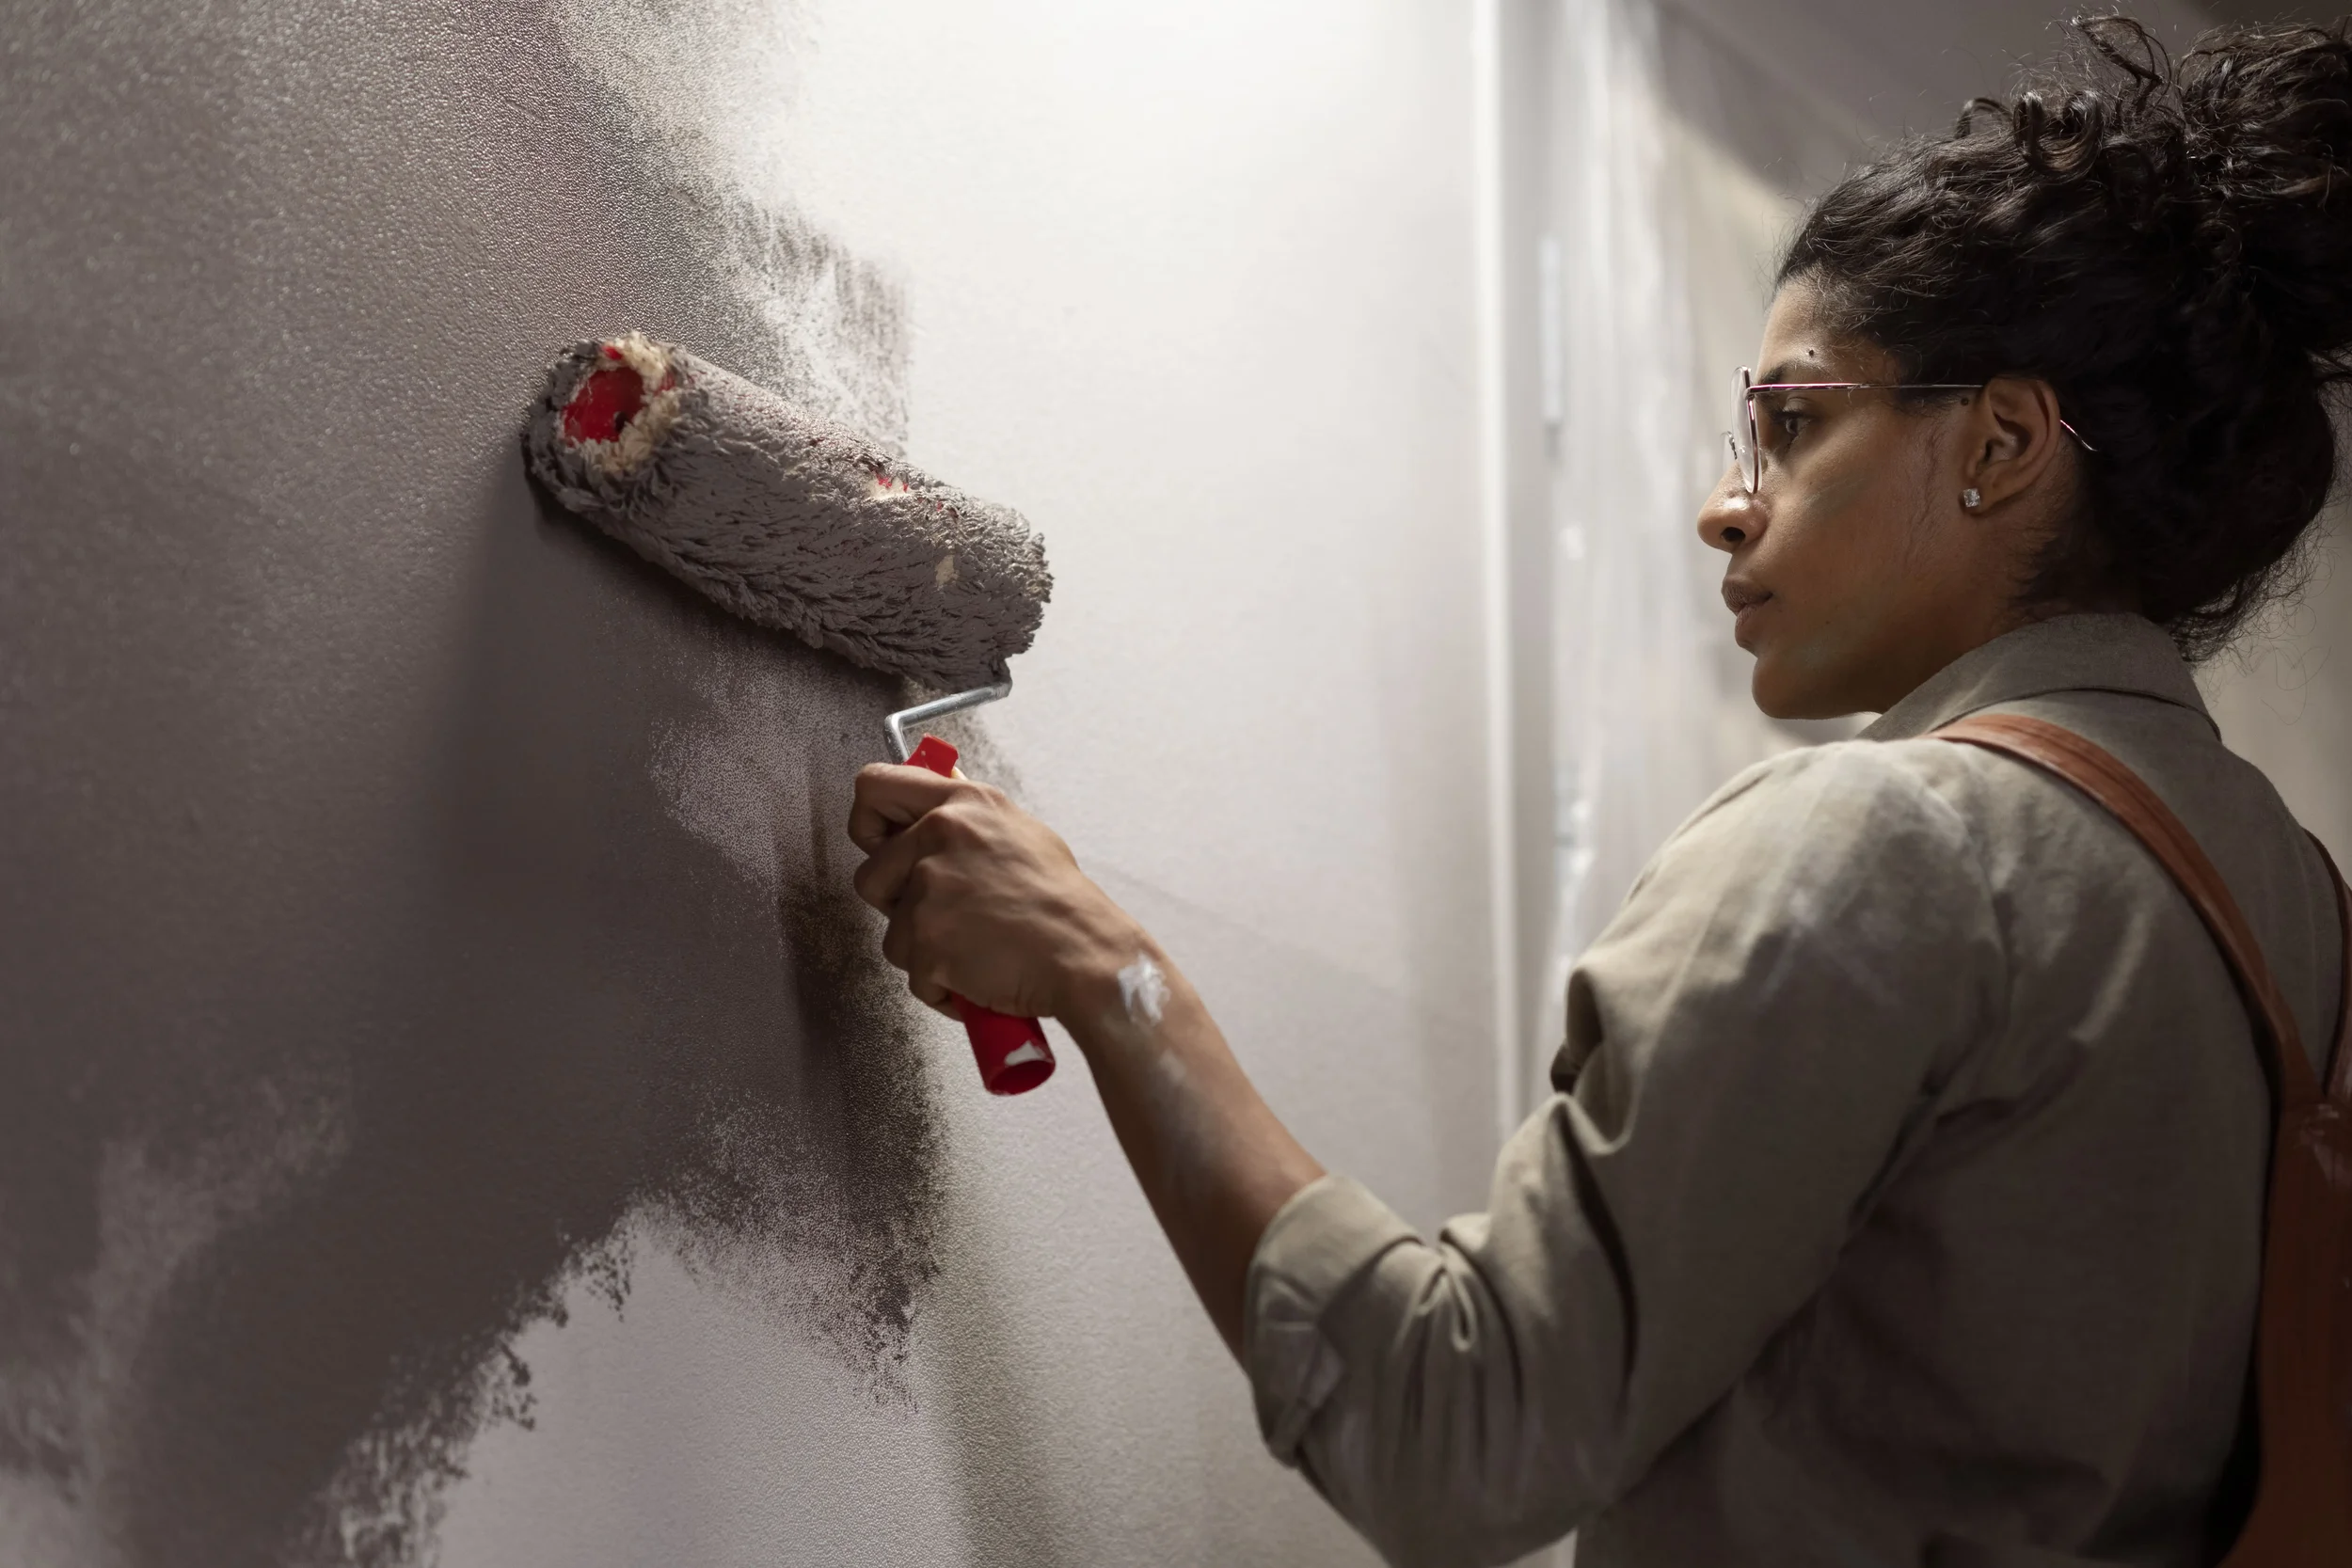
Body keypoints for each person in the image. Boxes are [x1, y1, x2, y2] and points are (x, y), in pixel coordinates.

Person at [846, 17, 2352, 1567]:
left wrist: (1107, 971)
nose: (1724, 504)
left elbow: (1459, 1431)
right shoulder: (2302, 922)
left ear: (2006, 443)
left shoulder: (1890, 844)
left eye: (1792, 423)